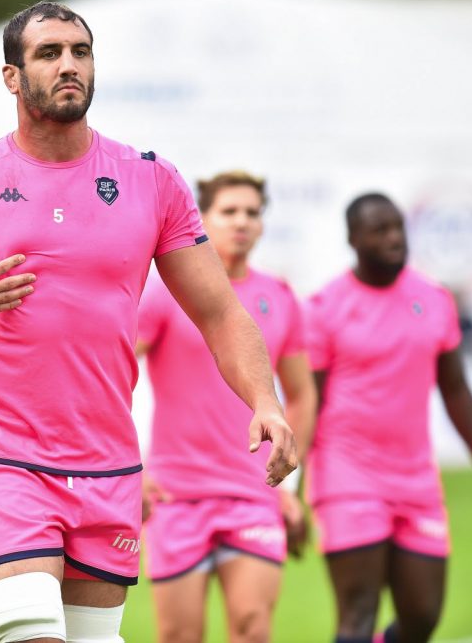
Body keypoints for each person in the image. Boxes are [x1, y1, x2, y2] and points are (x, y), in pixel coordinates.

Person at [0, 1, 297, 643]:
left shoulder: (150, 180)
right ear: (11, 77)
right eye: (49, 53)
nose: (69, 65)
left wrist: (265, 402)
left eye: (80, 52)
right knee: (34, 634)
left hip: (108, 462)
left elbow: (220, 313)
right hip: (0, 455)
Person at [305, 192, 472, 643]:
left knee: (422, 617)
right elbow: (308, 402)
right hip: (347, 476)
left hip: (416, 480)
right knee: (357, 615)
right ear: (353, 239)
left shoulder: (434, 299)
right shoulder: (325, 306)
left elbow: (455, 389)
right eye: (380, 230)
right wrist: (291, 485)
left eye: (398, 227)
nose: (394, 238)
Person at [136, 171, 316, 643]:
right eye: (229, 211)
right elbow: (112, 373)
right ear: (203, 219)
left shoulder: (279, 297)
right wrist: (133, 466)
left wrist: (290, 488)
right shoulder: (166, 292)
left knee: (253, 628)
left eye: (252, 213)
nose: (242, 222)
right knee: (180, 636)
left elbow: (301, 395)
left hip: (253, 496)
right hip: (175, 496)